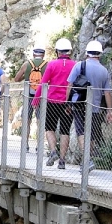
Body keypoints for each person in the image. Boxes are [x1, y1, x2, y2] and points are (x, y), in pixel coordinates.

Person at [67, 40, 112, 173]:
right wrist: (110, 110)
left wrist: (68, 103)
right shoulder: (104, 71)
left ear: (87, 53)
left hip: (79, 104)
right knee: (91, 134)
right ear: (100, 54)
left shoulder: (79, 66)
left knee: (81, 131)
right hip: (95, 106)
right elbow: (107, 92)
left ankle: (86, 160)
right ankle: (86, 161)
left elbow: (69, 85)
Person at [31, 38, 75, 169]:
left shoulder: (51, 65)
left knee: (49, 128)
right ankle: (62, 161)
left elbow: (43, 83)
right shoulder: (75, 65)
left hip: (52, 101)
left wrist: (36, 100)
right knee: (65, 130)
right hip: (68, 103)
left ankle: (53, 152)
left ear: (57, 51)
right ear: (69, 52)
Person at [14, 43, 48, 150]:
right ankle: (39, 145)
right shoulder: (47, 65)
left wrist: (27, 76)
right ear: (43, 54)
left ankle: (25, 145)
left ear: (33, 54)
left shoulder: (26, 64)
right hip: (42, 95)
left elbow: (16, 79)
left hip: (28, 95)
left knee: (26, 120)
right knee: (39, 120)